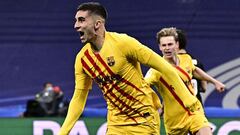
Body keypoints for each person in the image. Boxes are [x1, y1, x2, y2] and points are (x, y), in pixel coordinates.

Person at [58, 2, 193, 135]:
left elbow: (164, 67)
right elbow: (78, 98)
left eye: (81, 20)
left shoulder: (123, 43)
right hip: (115, 123)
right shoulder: (82, 59)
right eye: (76, 21)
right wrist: (63, 132)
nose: (76, 26)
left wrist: (186, 98)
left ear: (97, 24)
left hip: (143, 119)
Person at [145, 27, 225, 135]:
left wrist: (215, 82)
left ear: (177, 45)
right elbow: (143, 85)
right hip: (174, 120)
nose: (167, 48)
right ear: (159, 47)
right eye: (164, 45)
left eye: (170, 44)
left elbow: (194, 70)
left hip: (194, 111)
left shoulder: (186, 59)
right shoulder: (156, 69)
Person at [176, 29, 207, 104]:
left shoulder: (170, 64)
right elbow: (204, 87)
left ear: (176, 43)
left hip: (178, 106)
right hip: (197, 106)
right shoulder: (197, 62)